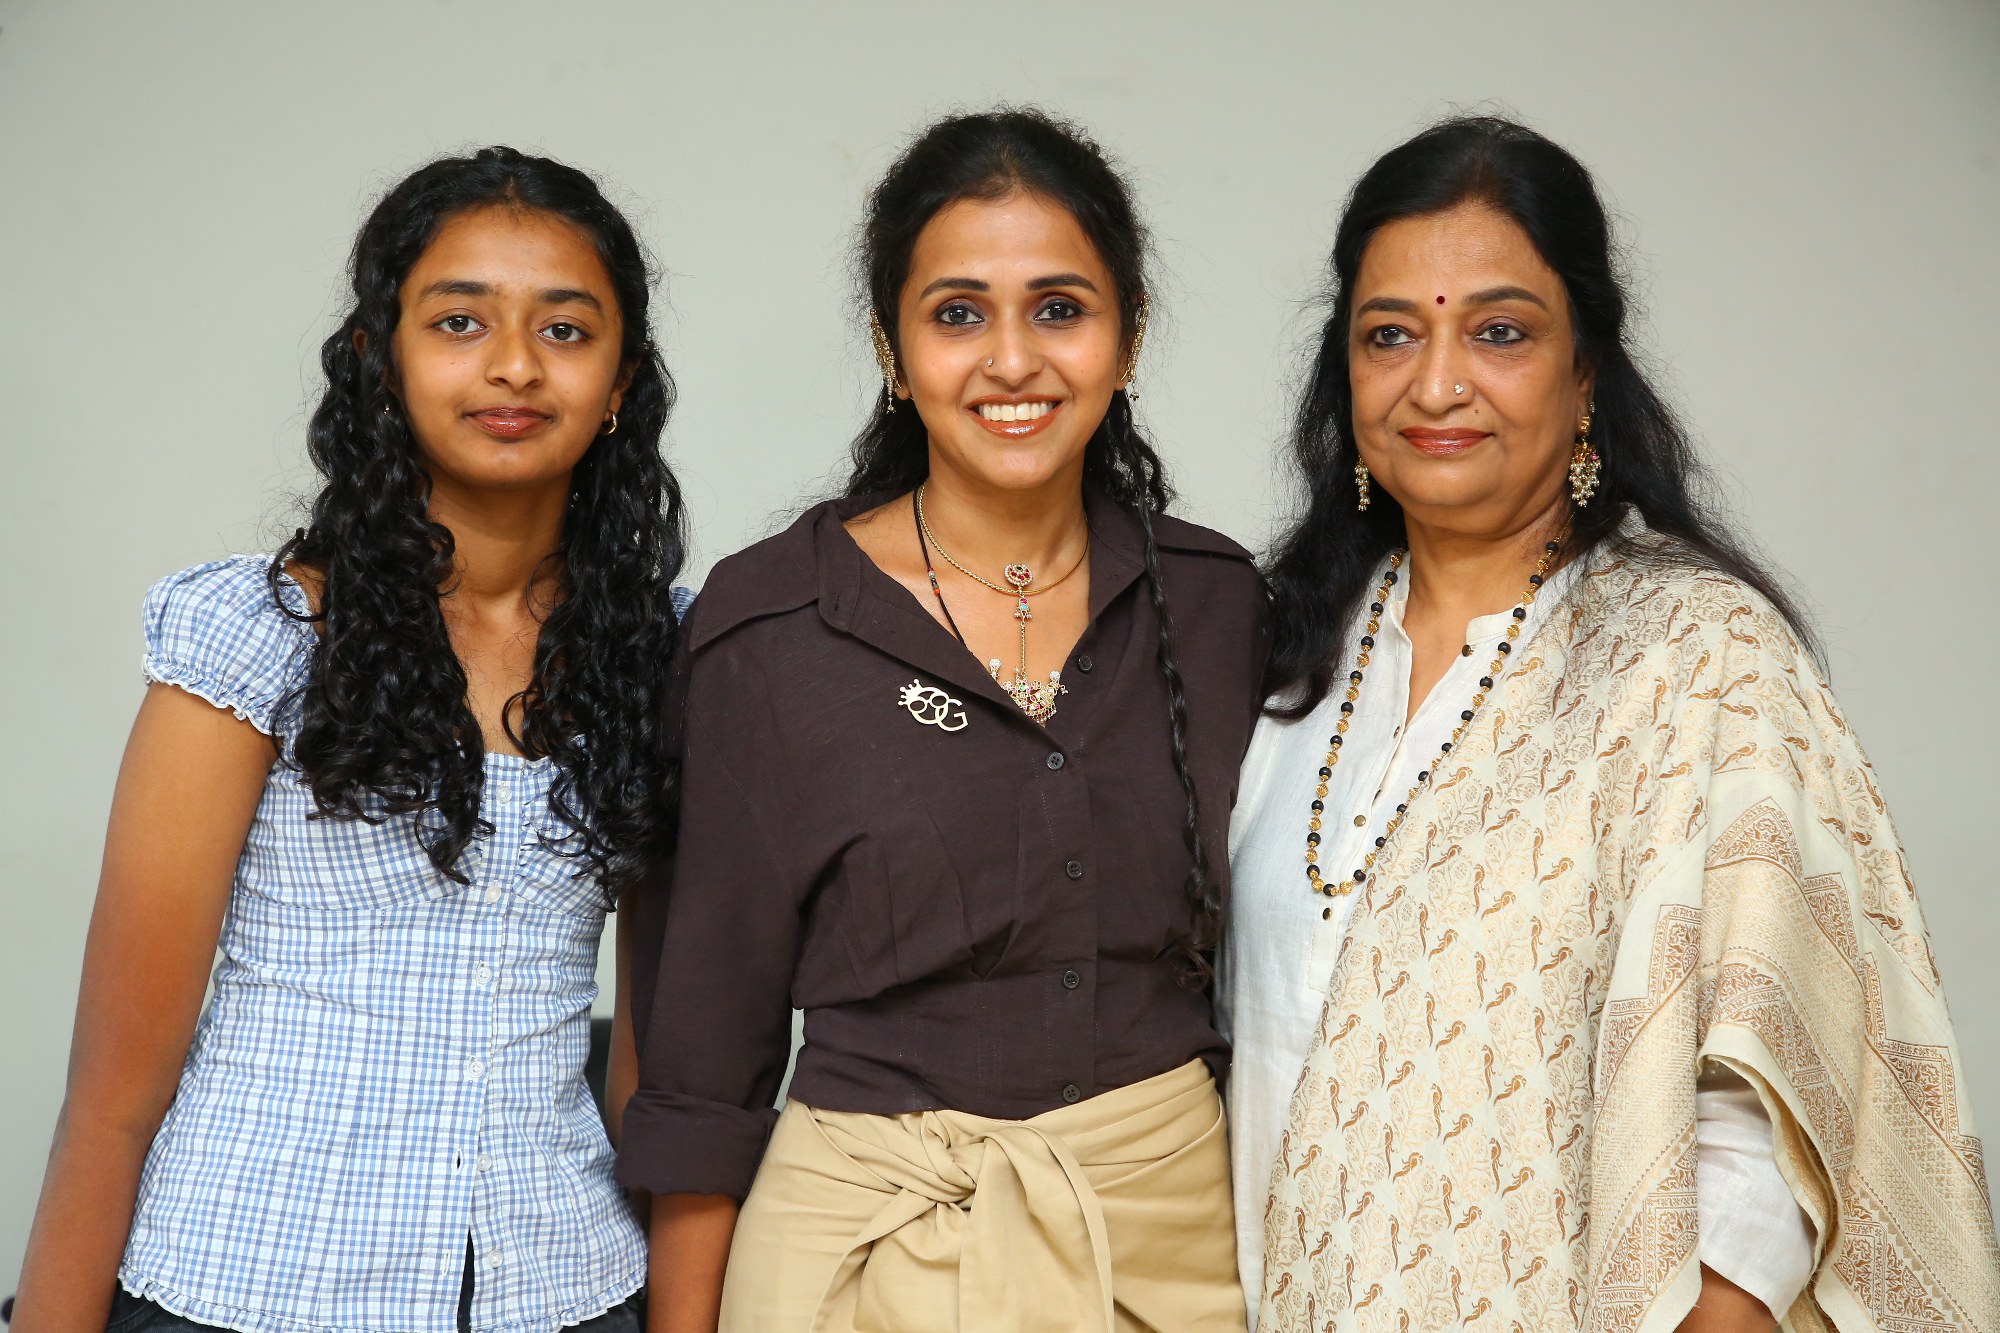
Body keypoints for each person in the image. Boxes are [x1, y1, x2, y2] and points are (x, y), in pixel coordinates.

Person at [1223, 116, 2000, 1331]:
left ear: (1584, 369)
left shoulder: (1697, 657)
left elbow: (1772, 1116)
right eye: (1389, 334)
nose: (1436, 383)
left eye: (1498, 332)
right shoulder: (1278, 657)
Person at [13, 147, 689, 1333]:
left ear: (620, 379)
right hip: (241, 1290)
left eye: (565, 330)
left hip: (563, 1291)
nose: (514, 365)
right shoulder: (257, 637)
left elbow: (656, 1081)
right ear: (381, 358)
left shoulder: (667, 657)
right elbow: (113, 1100)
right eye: (459, 321)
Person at [616, 108, 1266, 1332]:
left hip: (1168, 1250)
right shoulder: (770, 630)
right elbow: (701, 1060)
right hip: (859, 1254)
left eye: (1058, 309)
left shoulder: (1220, 605)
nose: (1011, 360)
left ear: (1127, 337)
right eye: (957, 313)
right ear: (891, 345)